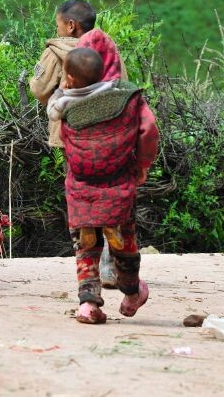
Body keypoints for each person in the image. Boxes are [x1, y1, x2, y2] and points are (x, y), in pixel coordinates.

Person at [47, 48, 159, 324]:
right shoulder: (126, 97)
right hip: (118, 184)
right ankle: (132, 293)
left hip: (81, 186)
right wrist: (142, 165)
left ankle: (88, 304)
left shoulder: (64, 104)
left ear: (70, 77)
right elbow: (149, 127)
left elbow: (52, 108)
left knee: (86, 245)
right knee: (125, 244)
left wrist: (64, 87)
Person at [30, 0, 127, 287]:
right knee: (110, 196)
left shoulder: (58, 50)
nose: (57, 29)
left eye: (58, 24)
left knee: (83, 199)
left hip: (74, 140)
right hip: (110, 138)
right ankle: (112, 264)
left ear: (70, 26)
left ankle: (91, 270)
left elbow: (39, 88)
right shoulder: (109, 48)